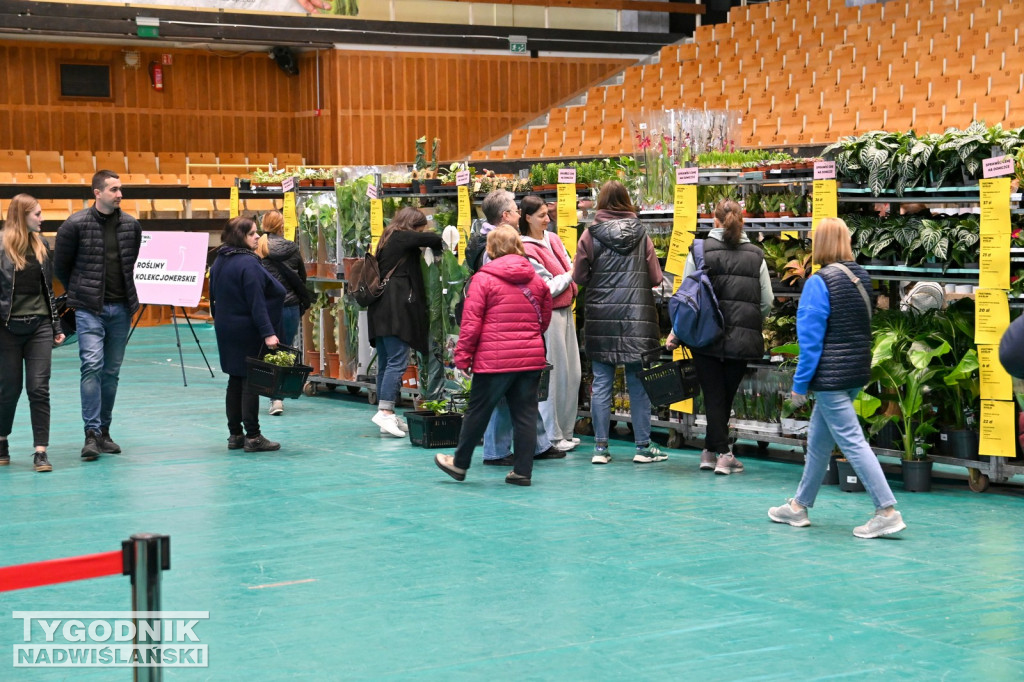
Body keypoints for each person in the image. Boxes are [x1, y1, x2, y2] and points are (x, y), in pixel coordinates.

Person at [768, 217, 907, 539]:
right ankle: (798, 506)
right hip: (856, 370)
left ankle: (886, 510)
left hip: (830, 377)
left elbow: (811, 340)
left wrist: (800, 385)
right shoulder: (860, 276)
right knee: (818, 443)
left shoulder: (819, 282)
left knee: (853, 442)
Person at [435, 226, 552, 486]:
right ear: (519, 247)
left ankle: (459, 464)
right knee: (525, 415)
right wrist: (526, 340)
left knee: (478, 411)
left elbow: (471, 323)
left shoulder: (483, 279)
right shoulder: (536, 280)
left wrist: (463, 357)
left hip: (494, 360)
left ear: (490, 249)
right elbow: (543, 319)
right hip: (530, 358)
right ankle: (522, 471)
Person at [668, 199, 772, 475]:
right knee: (723, 395)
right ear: (743, 221)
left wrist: (676, 332)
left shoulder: (699, 250)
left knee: (714, 395)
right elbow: (767, 301)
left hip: (705, 336)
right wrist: (749, 318)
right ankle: (722, 453)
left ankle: (710, 450)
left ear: (713, 220)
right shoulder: (756, 255)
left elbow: (686, 298)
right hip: (743, 337)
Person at [573, 180, 665, 465]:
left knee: (602, 383)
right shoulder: (641, 234)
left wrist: (598, 281)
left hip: (602, 318)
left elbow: (578, 276)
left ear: (600, 202)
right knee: (638, 383)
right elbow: (656, 278)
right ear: (627, 201)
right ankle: (643, 447)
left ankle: (600, 448)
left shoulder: (589, 235)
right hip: (637, 319)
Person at [54, 169, 142, 462]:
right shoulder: (74, 224)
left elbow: (131, 262)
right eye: (114, 189)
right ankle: (90, 434)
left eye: (120, 189)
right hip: (89, 309)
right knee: (91, 366)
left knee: (111, 372)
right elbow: (61, 267)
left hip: (122, 308)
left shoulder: (132, 226)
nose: (120, 194)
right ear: (97, 192)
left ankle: (104, 432)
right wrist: (80, 292)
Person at [209, 216, 286, 452]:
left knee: (235, 379)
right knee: (250, 382)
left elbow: (214, 298)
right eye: (252, 233)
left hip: (226, 327)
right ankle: (253, 436)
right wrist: (268, 332)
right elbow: (257, 302)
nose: (257, 237)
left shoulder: (219, 260)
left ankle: (235, 435)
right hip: (247, 329)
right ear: (240, 236)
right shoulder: (248, 263)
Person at [0, 194, 65, 472]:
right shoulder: (1, 247)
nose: (42, 218)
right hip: (6, 328)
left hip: (38, 325)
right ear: (21, 215)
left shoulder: (42, 244)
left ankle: (41, 451)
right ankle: (2, 441)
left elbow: (48, 291)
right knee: (8, 390)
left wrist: (56, 326)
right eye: (37, 214)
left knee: (39, 389)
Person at [367, 207, 443, 437]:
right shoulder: (401, 236)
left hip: (380, 308)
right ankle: (386, 412)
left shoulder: (387, 237)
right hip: (395, 310)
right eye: (420, 228)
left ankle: (386, 413)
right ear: (413, 226)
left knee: (386, 361)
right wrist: (439, 248)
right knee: (397, 362)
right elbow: (433, 238)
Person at [520, 195, 582, 451]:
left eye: (548, 214)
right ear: (527, 218)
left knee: (573, 373)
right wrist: (570, 274)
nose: (548, 219)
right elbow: (546, 287)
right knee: (554, 376)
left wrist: (568, 274)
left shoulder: (553, 239)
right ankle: (553, 436)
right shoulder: (526, 248)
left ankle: (566, 431)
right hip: (550, 316)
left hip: (567, 311)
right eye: (542, 216)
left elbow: (568, 267)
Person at [256, 210, 310, 417]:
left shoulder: (258, 248)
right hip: (290, 305)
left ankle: (270, 395)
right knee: (286, 349)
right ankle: (278, 397)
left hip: (267, 306)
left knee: (268, 350)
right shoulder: (292, 247)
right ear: (281, 226)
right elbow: (301, 276)